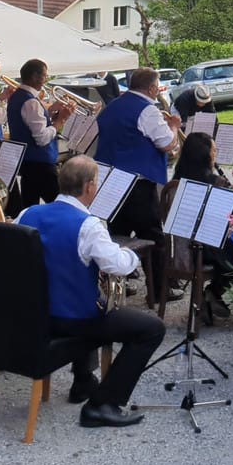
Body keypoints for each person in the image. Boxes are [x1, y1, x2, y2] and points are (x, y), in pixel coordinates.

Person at [19, 156, 164, 427]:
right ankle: (103, 404)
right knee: (151, 328)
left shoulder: (28, 214)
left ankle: (83, 381)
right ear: (89, 188)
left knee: (89, 296)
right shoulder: (88, 225)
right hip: (72, 318)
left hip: (36, 315)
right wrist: (131, 255)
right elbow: (117, 265)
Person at [94, 68, 182, 290]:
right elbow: (166, 143)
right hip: (137, 184)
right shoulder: (147, 110)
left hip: (110, 180)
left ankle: (120, 285)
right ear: (152, 88)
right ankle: (160, 289)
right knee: (153, 237)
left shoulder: (113, 106)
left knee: (118, 235)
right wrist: (174, 126)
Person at [172, 132, 233, 320]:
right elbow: (227, 220)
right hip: (205, 246)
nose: (215, 156)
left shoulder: (177, 180)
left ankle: (210, 297)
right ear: (206, 156)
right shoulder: (214, 183)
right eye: (214, 151)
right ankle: (214, 292)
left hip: (181, 247)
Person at [6, 58, 74, 210]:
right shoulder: (31, 102)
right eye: (44, 75)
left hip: (27, 162)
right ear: (35, 77)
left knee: (30, 207)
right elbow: (42, 138)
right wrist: (60, 121)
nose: (46, 79)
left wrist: (51, 117)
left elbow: (31, 125)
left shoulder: (18, 96)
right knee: (61, 207)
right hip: (40, 164)